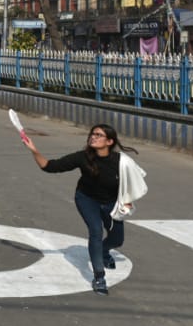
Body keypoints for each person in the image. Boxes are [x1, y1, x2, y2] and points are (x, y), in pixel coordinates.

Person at [20, 123, 141, 295]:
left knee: (117, 240)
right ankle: (99, 276)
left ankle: (104, 251)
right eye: (93, 134)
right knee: (96, 231)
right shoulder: (82, 157)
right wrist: (34, 150)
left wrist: (128, 200)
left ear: (109, 141)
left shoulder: (121, 162)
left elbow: (133, 182)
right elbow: (49, 166)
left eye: (99, 135)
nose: (93, 137)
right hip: (87, 199)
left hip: (111, 203)